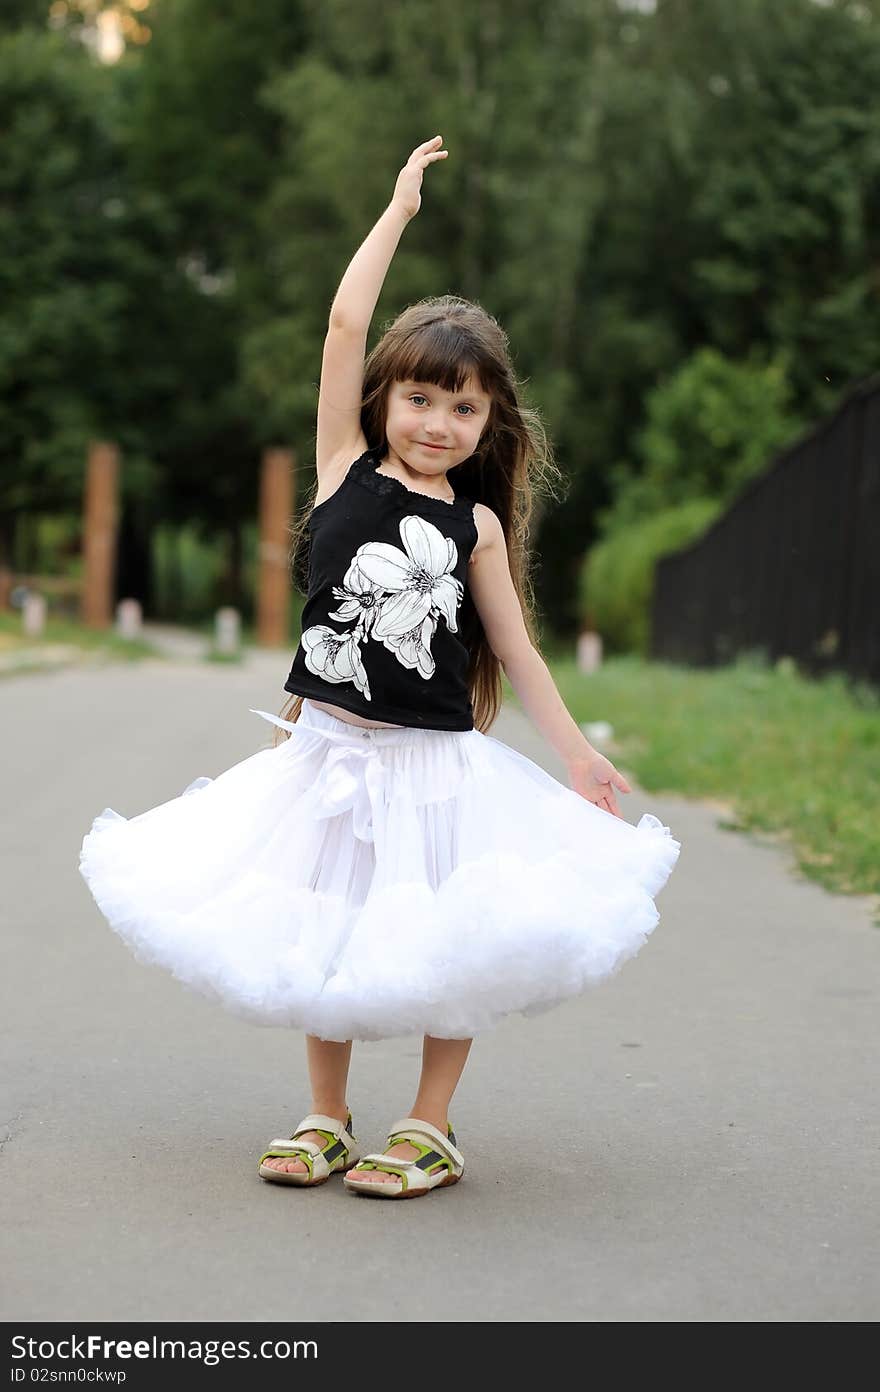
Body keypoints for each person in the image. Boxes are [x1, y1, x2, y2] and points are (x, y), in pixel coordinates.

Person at [79, 136, 681, 1200]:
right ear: (381, 403)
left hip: (433, 769)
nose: (437, 424)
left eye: (464, 409)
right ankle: (324, 1115)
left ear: (491, 422)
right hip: (322, 756)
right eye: (419, 400)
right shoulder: (343, 467)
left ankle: (429, 1125)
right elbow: (347, 322)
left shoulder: (478, 526)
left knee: (451, 945)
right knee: (325, 930)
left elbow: (516, 652)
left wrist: (580, 755)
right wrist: (398, 210)